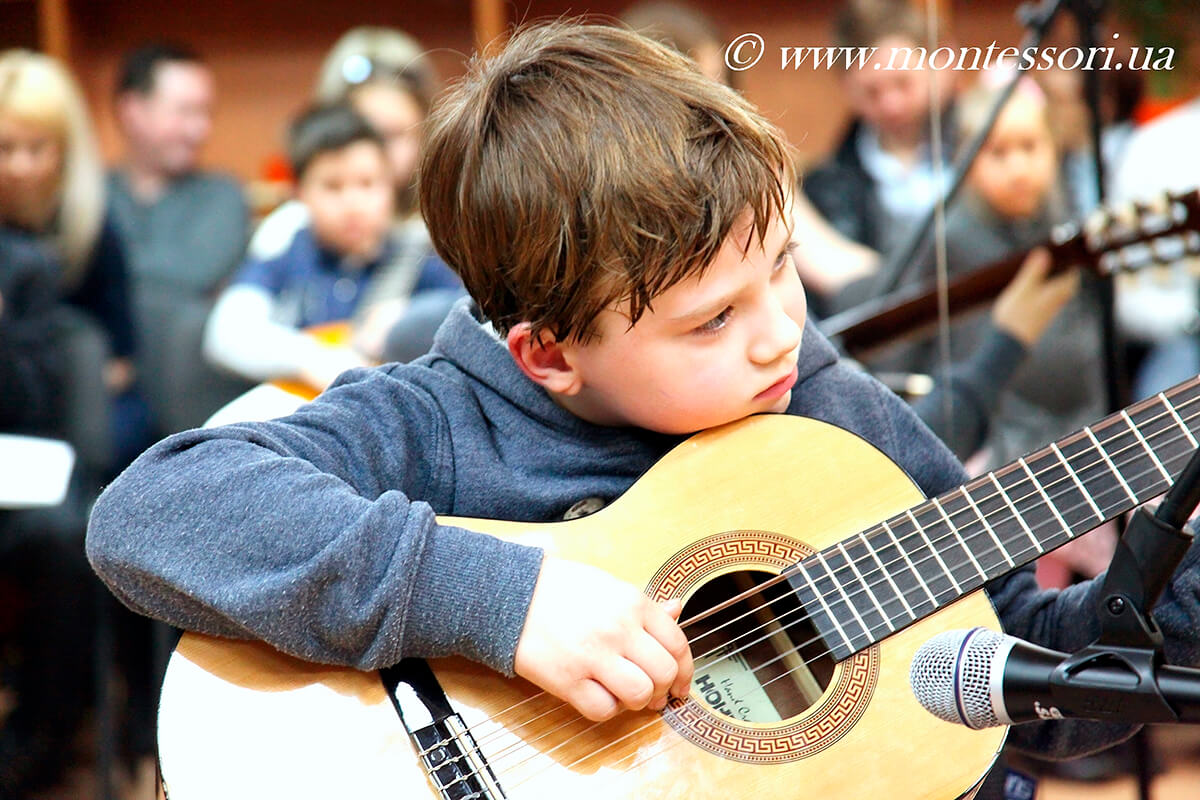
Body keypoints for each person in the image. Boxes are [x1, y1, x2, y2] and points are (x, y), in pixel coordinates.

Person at [87, 22, 1200, 794]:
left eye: (783, 269)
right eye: (710, 319)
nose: (776, 330)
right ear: (547, 351)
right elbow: (154, 507)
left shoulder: (832, 408)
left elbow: (1024, 665)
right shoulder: (439, 420)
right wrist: (497, 598)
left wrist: (1172, 598)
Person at [203, 103, 459, 392]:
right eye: (332, 187)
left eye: (367, 184)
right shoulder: (288, 254)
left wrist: (410, 315)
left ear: (391, 186)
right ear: (298, 193)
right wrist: (308, 358)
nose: (352, 205)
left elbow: (472, 312)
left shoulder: (416, 256)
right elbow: (223, 334)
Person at [249, 26, 462, 364]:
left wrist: (414, 317)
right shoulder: (292, 229)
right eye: (362, 130)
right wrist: (313, 359)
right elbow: (236, 327)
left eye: (393, 134)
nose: (374, 151)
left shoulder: (450, 230)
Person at [0, 49, 149, 475]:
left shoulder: (94, 227)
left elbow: (122, 359)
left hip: (80, 396)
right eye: (4, 147)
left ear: (65, 149)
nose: (19, 166)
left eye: (36, 148)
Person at [108, 42, 252, 434]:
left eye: (206, 113)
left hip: (185, 379)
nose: (200, 129)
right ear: (133, 110)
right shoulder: (92, 194)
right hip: (106, 384)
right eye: (186, 112)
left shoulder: (221, 194)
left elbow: (192, 274)